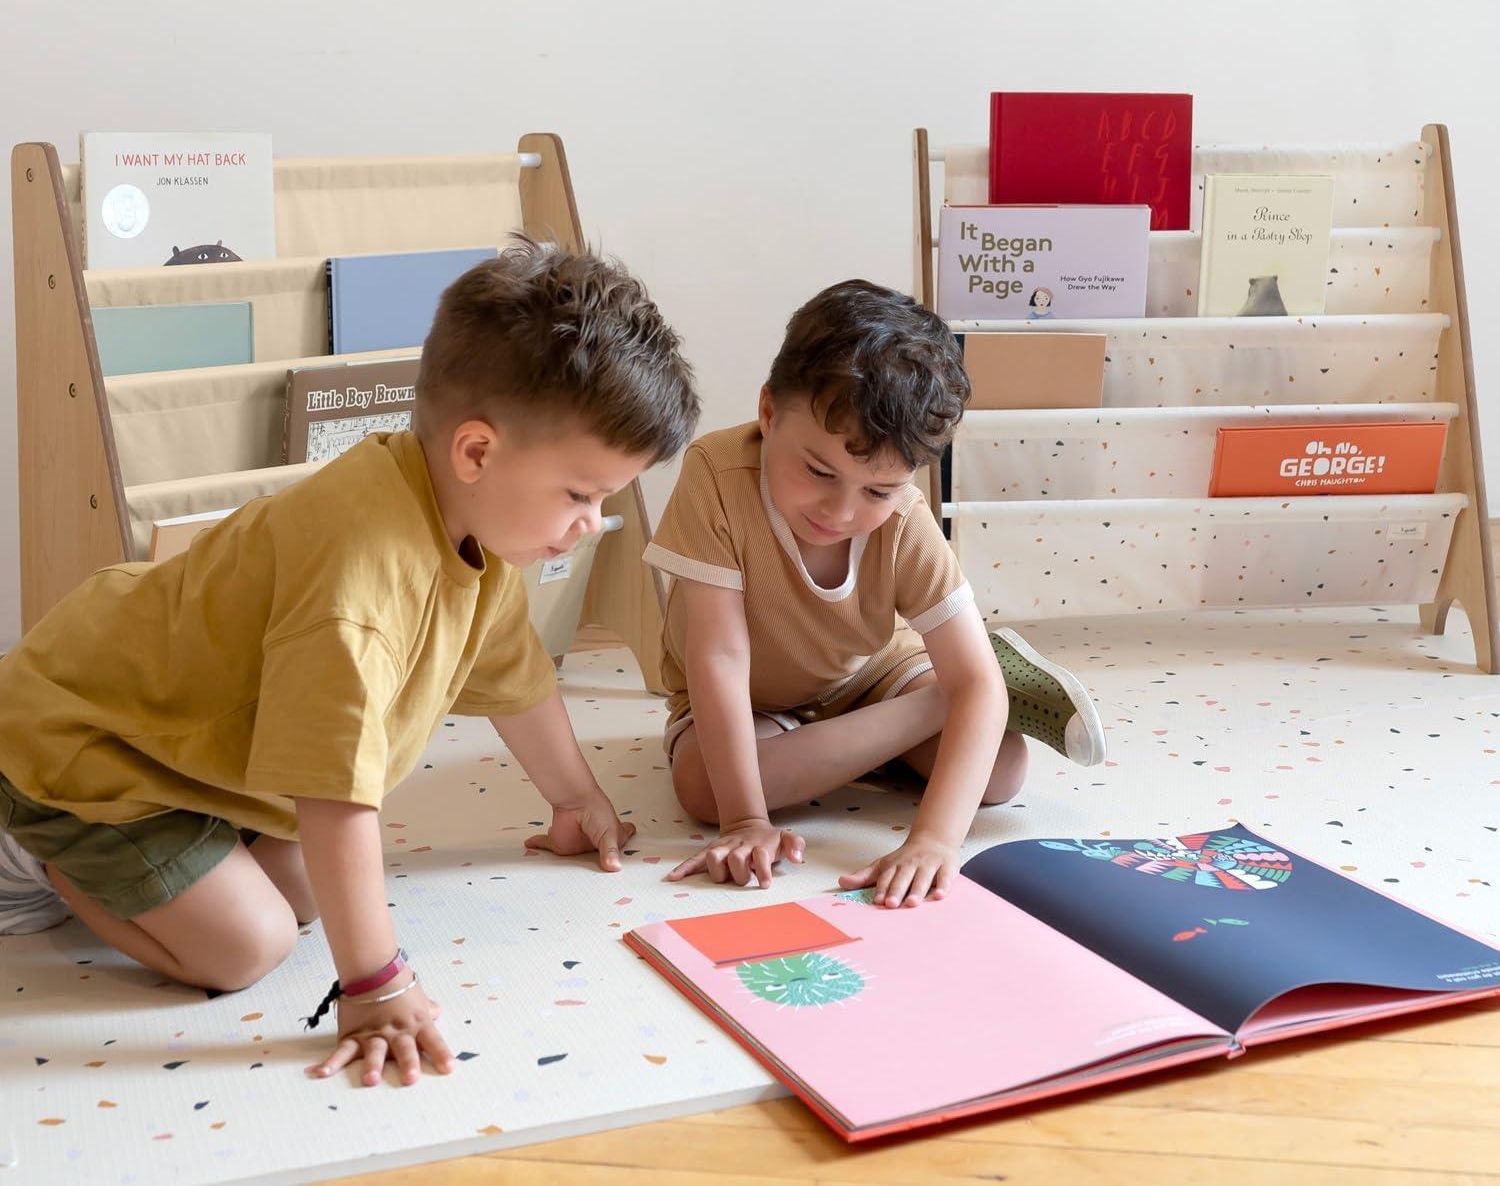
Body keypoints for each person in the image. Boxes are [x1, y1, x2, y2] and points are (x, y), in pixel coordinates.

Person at [0, 239, 699, 1087]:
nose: (592, 523)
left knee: (302, 900)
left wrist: (577, 799)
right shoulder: (358, 583)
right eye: (581, 495)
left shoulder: (470, 525)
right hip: (84, 738)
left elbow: (518, 682)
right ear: (476, 453)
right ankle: (36, 840)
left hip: (183, 745)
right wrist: (373, 984)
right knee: (247, 945)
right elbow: (334, 795)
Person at [645, 280, 1105, 908]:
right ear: (769, 413)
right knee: (705, 790)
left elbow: (972, 690)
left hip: (874, 672)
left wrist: (936, 840)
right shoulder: (716, 474)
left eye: (878, 491)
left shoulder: (904, 520)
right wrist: (747, 822)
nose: (840, 511)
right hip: (755, 698)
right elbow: (720, 657)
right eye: (817, 471)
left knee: (1002, 774)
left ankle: (939, 703)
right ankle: (942, 703)